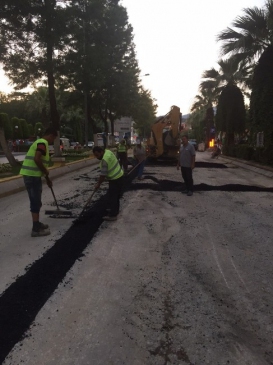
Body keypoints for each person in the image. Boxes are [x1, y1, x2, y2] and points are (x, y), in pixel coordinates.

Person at [20, 127, 58, 237]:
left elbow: (42, 165)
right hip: (31, 177)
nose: (52, 141)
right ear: (50, 135)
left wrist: (47, 179)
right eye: (53, 138)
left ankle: (37, 223)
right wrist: (45, 171)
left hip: (33, 176)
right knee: (35, 201)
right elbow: (37, 159)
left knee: (37, 201)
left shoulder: (41, 143)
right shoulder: (42, 142)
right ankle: (35, 229)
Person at [93, 146, 124, 221]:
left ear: (101, 152)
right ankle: (115, 210)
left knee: (113, 197)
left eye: (97, 155)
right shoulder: (108, 152)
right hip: (119, 176)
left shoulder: (105, 160)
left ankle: (113, 215)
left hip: (115, 179)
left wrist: (98, 184)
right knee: (115, 196)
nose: (97, 157)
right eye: (95, 155)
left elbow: (103, 175)